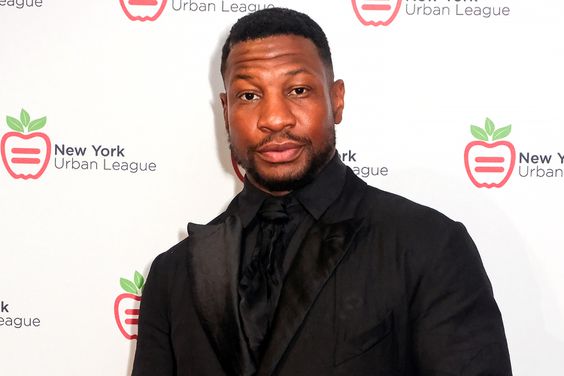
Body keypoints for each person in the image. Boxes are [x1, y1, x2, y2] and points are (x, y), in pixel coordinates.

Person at [132, 7, 512, 376]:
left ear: (337, 100)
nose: (275, 118)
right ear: (226, 109)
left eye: (298, 90)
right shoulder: (174, 272)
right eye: (250, 96)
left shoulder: (427, 245)